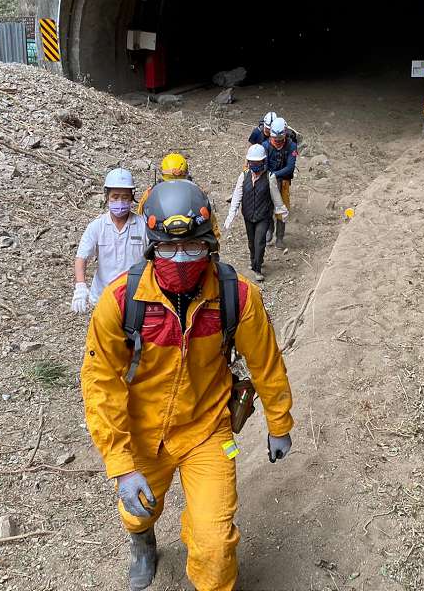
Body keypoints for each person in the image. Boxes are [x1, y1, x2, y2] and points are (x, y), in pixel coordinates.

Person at [81, 180, 294, 591]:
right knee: (137, 511)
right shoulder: (122, 301)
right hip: (143, 430)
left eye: (193, 248)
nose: (180, 259)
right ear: (151, 246)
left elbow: (266, 362)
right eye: (167, 249)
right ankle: (143, 543)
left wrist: (279, 423)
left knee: (215, 545)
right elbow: (100, 383)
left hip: (207, 428)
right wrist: (122, 466)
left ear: (210, 244)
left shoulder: (237, 297)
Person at [71, 168, 147, 313]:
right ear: (107, 197)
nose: (120, 201)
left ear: (132, 198)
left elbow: (154, 258)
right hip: (102, 297)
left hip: (136, 296)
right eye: (115, 196)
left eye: (125, 197)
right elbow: (81, 257)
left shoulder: (142, 225)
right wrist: (80, 286)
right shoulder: (97, 226)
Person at [223, 144, 288, 282]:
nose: (255, 164)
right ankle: (254, 261)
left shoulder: (270, 177)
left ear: (263, 161)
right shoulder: (244, 176)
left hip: (263, 217)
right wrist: (231, 216)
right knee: (251, 243)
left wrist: (282, 212)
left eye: (257, 162)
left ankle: (257, 269)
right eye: (252, 162)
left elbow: (276, 197)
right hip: (248, 215)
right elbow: (236, 196)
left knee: (259, 242)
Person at [138, 153, 221, 243]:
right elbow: (141, 219)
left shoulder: (195, 192)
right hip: (162, 236)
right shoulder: (151, 194)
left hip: (190, 235)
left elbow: (207, 216)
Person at [263, 117, 298, 250]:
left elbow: (290, 167)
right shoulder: (265, 146)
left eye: (279, 140)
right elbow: (264, 164)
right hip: (268, 179)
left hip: (283, 181)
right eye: (275, 140)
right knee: (267, 208)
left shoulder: (291, 146)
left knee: (282, 209)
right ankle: (269, 230)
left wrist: (275, 175)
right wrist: (269, 177)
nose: (277, 143)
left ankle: (280, 237)